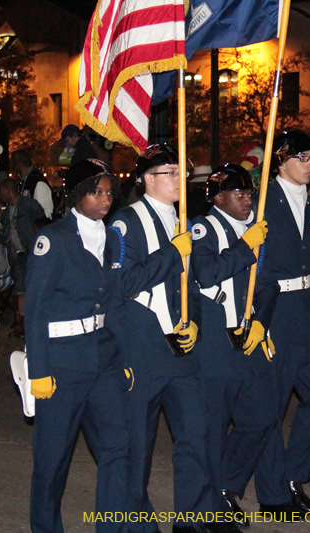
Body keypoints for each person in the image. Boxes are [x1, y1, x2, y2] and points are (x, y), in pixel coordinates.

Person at [109, 144, 215, 533]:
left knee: (195, 434)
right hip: (143, 349)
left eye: (179, 171)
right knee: (138, 443)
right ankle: (137, 521)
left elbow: (196, 283)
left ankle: (192, 517)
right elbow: (124, 284)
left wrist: (196, 324)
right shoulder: (126, 223)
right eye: (169, 172)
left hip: (182, 350)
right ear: (147, 179)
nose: (178, 178)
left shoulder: (186, 219)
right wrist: (172, 252)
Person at [25, 159, 134, 533]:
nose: (105, 199)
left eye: (108, 192)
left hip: (103, 358)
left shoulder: (112, 238)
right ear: (76, 195)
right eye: (95, 191)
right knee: (52, 460)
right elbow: (35, 311)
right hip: (62, 363)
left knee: (118, 448)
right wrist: (38, 371)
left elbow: (116, 303)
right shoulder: (52, 239)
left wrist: (125, 356)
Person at [250, 130, 310, 521]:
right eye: (302, 157)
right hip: (275, 309)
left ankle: (291, 476)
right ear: (281, 159)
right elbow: (252, 265)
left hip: (307, 308)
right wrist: (256, 319)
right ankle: (272, 496)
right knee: (271, 405)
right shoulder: (258, 203)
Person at [190, 163, 272, 529]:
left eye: (249, 194)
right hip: (215, 343)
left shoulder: (251, 228)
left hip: (247, 337)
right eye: (239, 195)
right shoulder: (203, 228)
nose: (247, 200)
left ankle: (226, 484)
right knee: (214, 425)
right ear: (219, 197)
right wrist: (244, 247)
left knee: (262, 415)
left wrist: (261, 321)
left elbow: (268, 282)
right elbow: (205, 273)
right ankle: (210, 504)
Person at [0, 178, 45, 338]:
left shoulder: (28, 205)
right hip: (18, 254)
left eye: (0, 191)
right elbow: (5, 234)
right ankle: (22, 322)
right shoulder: (7, 211)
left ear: (7, 191)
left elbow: (43, 225)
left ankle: (27, 322)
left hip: (32, 252)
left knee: (30, 289)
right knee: (20, 290)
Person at [12, 149, 54, 219]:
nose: (11, 166)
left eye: (12, 162)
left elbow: (46, 212)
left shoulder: (37, 182)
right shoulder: (24, 181)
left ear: (19, 162)